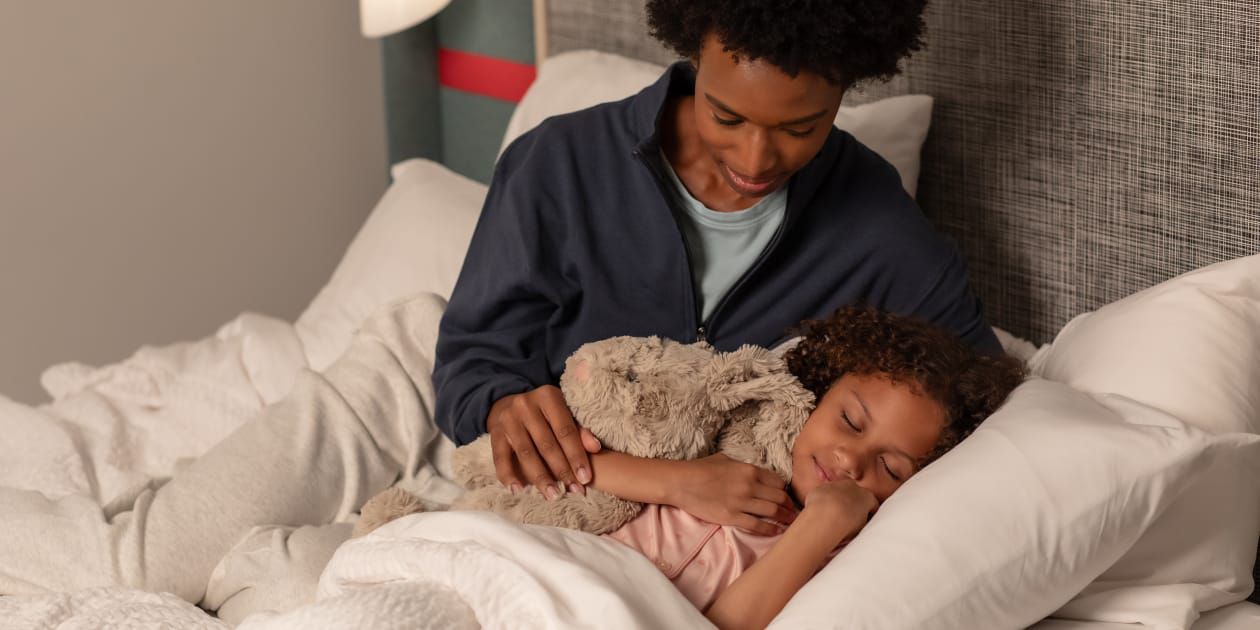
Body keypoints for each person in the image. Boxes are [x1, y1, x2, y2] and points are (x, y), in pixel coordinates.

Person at [434, 0, 1001, 536]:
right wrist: (501, 402)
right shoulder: (561, 163)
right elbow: (471, 362)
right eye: (726, 116)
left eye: (799, 129)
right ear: (694, 53)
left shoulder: (878, 225)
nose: (755, 160)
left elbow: (980, 402)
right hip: (561, 519)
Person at [601, 306, 1025, 629]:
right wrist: (676, 482)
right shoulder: (733, 422)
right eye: (850, 421)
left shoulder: (847, 561)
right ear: (823, 391)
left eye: (891, 468)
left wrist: (823, 523)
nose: (850, 459)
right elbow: (572, 475)